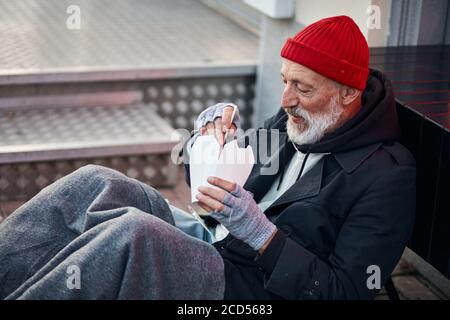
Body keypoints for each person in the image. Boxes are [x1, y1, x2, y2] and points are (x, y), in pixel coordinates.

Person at [0, 15, 415, 300]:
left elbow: (345, 291)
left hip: (251, 285)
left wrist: (261, 236)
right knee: (93, 184)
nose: (286, 99)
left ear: (347, 94)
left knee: (133, 235)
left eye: (303, 89)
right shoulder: (302, 120)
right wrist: (211, 143)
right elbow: (215, 190)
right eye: (285, 81)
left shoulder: (385, 176)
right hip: (217, 241)